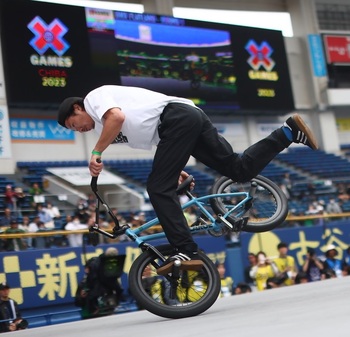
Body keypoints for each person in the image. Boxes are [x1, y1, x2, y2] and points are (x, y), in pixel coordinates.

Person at [57, 85, 318, 275]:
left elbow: (118, 117)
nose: (78, 130)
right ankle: (287, 132)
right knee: (238, 170)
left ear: (77, 108)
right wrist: (177, 168)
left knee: (158, 189)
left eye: (73, 124)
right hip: (184, 121)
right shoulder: (107, 129)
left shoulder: (94, 98)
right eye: (73, 130)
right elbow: (158, 139)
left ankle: (187, 250)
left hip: (176, 118)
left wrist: (97, 152)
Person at [75, 247, 125, 318]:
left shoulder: (109, 277)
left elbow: (118, 291)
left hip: (107, 310)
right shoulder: (84, 283)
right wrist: (82, 297)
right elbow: (77, 302)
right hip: (90, 315)